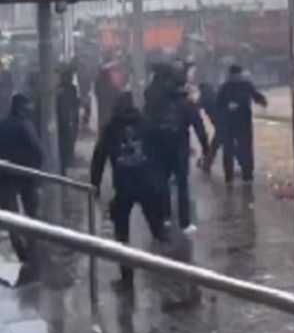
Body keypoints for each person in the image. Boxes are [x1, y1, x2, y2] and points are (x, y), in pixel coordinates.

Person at [89, 92, 170, 289]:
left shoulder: (111, 128)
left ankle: (127, 278)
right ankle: (168, 271)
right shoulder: (146, 123)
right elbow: (163, 151)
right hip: (149, 185)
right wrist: (162, 178)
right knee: (158, 229)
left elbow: (99, 157)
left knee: (122, 233)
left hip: (124, 186)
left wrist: (95, 184)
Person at [144, 63, 209, 233]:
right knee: (182, 184)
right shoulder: (185, 103)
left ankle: (165, 217)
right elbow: (198, 125)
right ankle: (185, 222)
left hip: (159, 146)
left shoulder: (155, 101)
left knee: (163, 182)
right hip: (180, 147)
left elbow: (146, 124)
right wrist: (205, 147)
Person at [0, 94, 43, 264]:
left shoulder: (2, 125)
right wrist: (37, 169)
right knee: (31, 210)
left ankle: (19, 248)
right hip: (26, 174)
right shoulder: (26, 125)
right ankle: (32, 246)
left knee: (11, 215)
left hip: (5, 175)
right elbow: (38, 150)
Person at [213, 64, 266, 183]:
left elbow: (218, 104)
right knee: (244, 147)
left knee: (230, 149)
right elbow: (256, 96)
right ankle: (246, 174)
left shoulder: (225, 87)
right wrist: (262, 101)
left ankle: (230, 175)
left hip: (230, 122)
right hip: (242, 120)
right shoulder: (245, 85)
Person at [55, 67, 81, 169]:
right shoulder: (71, 89)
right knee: (66, 142)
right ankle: (67, 161)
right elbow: (74, 104)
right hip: (66, 120)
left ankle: (66, 160)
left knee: (64, 142)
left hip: (63, 120)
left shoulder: (58, 89)